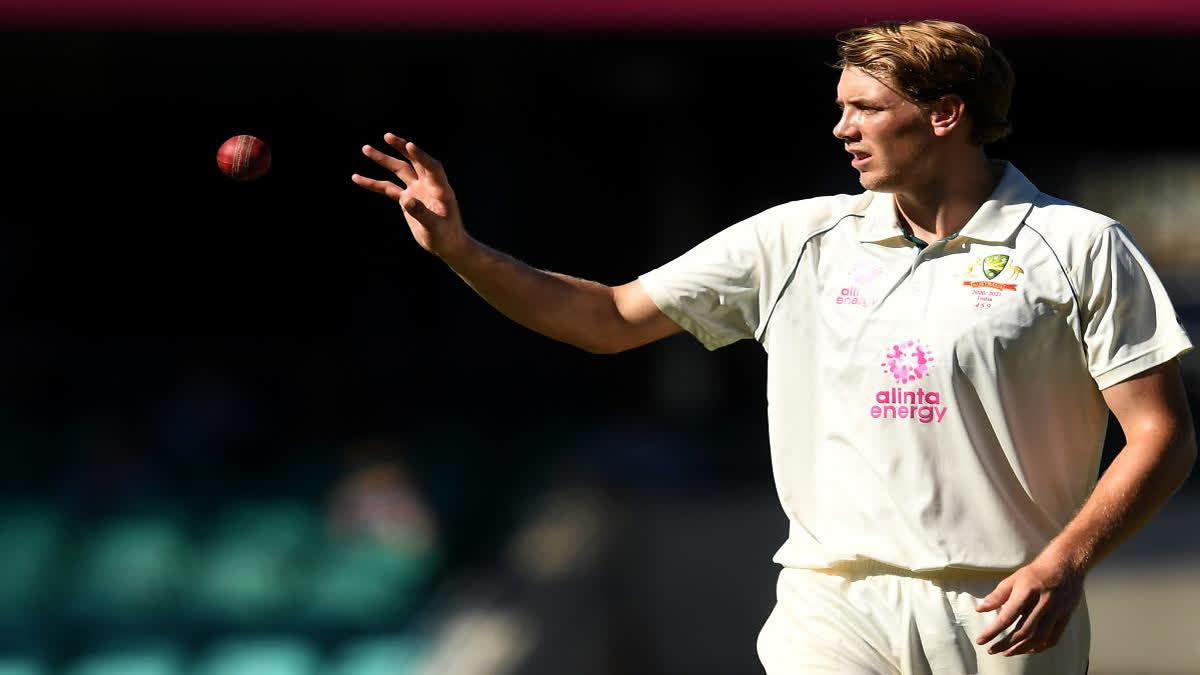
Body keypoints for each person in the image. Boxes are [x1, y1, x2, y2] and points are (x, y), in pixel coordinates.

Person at [350, 19, 1196, 674]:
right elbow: (606, 319)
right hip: (830, 600)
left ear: (945, 115)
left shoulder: (1078, 245)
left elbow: (1161, 433)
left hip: (1007, 607)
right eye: (840, 109)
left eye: (866, 108)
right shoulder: (798, 238)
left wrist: (1067, 561)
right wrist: (462, 250)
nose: (842, 129)